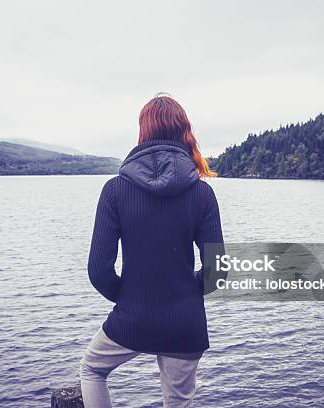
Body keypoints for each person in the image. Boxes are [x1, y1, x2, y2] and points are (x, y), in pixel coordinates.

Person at [80, 94, 225, 407]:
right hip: (185, 322)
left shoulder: (115, 190)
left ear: (143, 132)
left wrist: (134, 298)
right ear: (184, 132)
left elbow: (99, 271)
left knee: (92, 369)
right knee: (178, 402)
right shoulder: (202, 194)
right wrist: (185, 293)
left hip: (134, 316)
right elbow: (218, 272)